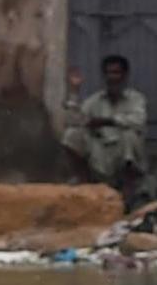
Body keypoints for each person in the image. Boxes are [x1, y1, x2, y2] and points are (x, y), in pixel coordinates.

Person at [61, 55, 149, 201]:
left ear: (125, 76)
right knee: (72, 135)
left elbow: (138, 121)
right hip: (101, 151)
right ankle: (85, 185)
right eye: (108, 73)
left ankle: (127, 194)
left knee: (130, 136)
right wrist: (74, 92)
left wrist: (107, 121)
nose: (112, 77)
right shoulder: (94, 100)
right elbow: (76, 121)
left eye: (116, 73)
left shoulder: (136, 99)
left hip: (124, 153)